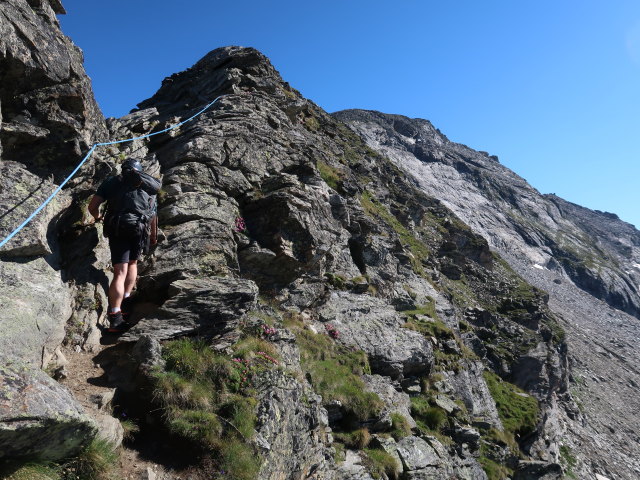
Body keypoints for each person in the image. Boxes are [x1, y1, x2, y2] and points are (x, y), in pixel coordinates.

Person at [88, 158, 161, 333]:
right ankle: (126, 301)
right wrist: (153, 236)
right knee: (133, 264)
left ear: (124, 169)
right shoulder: (148, 185)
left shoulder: (112, 182)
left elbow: (92, 206)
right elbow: (152, 214)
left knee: (119, 271)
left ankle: (115, 316)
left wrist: (99, 218)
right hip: (139, 229)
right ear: (139, 171)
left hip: (118, 228)